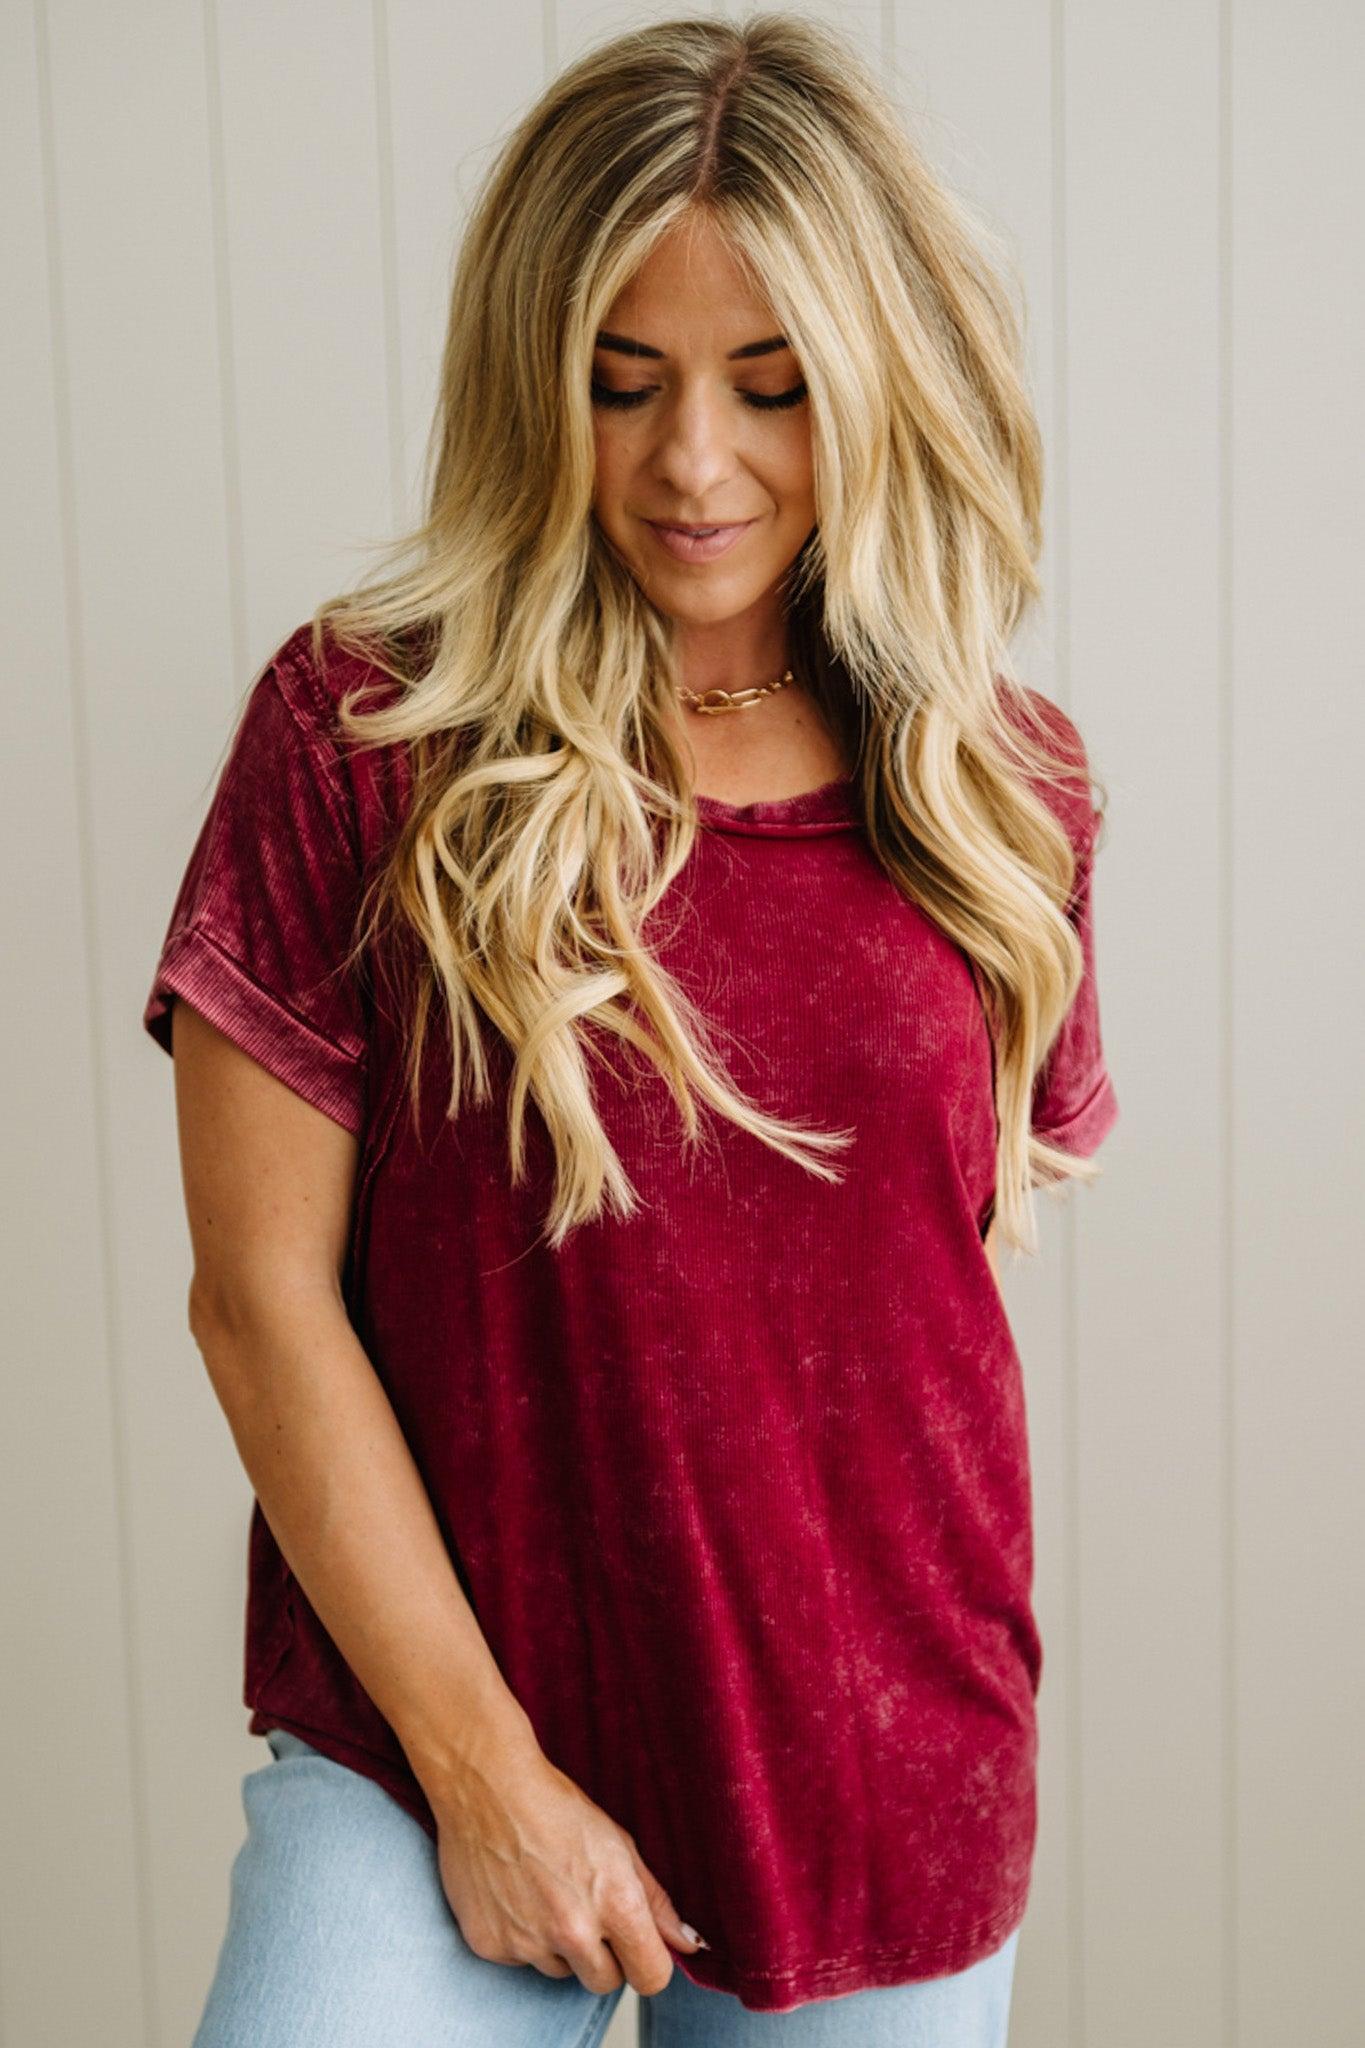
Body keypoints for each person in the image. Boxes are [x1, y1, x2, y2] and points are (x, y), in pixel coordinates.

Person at [141, 14, 1118, 2044]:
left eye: (770, 388)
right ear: (531, 377)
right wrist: (487, 1778)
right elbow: (257, 1298)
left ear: (873, 379)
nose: (692, 461)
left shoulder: (1000, 789)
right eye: (619, 381)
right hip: (425, 1752)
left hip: (874, 1779)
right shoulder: (360, 737)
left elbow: (927, 1258)